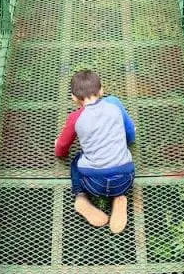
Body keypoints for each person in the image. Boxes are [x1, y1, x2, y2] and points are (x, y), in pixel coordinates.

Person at [54, 69, 136, 234]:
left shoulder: (75, 118)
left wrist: (58, 144)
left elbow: (61, 151)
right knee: (122, 159)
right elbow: (131, 134)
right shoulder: (115, 104)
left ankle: (81, 197)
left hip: (93, 183)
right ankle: (119, 197)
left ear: (74, 99)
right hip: (125, 178)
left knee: (77, 159)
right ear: (102, 90)